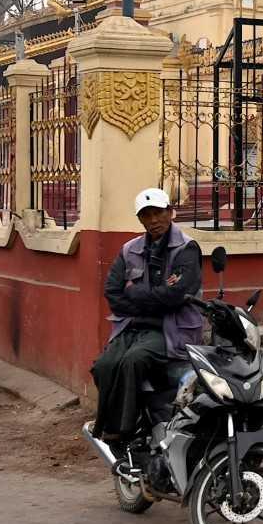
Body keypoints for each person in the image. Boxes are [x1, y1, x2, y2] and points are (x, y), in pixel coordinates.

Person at [87, 187, 204, 446]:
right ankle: (112, 420)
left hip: (170, 329)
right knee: (104, 365)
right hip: (132, 326)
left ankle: (122, 428)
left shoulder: (187, 249)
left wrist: (137, 294)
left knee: (133, 361)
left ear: (170, 213)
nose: (154, 220)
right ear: (140, 219)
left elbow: (178, 296)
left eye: (159, 213)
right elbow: (113, 293)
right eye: (146, 215)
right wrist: (154, 297)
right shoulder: (129, 250)